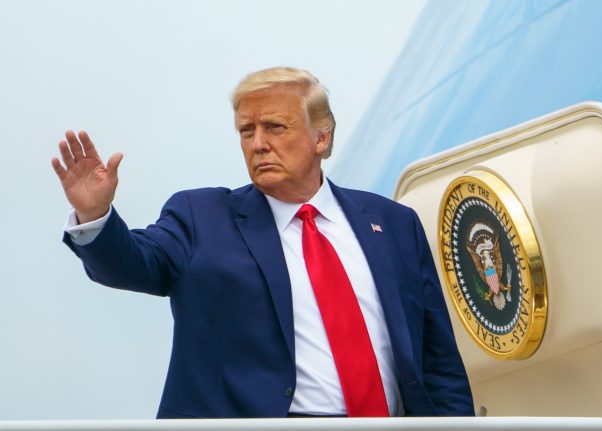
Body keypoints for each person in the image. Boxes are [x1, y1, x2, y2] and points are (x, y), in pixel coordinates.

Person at [52, 67, 474, 418]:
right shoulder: (202, 217)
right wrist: (95, 217)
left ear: (321, 138)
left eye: (274, 127)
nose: (257, 144)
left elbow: (439, 364)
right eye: (246, 130)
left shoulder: (393, 224)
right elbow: (133, 263)